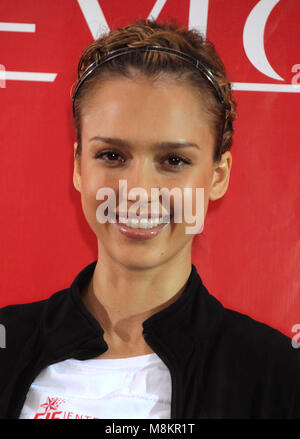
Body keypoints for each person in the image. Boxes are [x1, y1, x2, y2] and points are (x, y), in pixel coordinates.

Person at [0, 18, 299, 420]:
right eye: (111, 155)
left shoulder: (278, 379)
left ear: (218, 175)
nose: (138, 190)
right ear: (77, 166)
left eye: (174, 160)